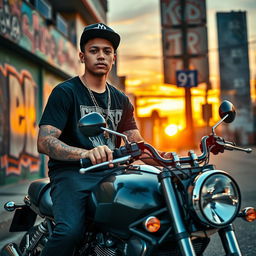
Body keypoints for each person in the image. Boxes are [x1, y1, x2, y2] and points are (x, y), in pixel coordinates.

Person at [37, 23, 168, 256]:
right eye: (93, 50)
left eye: (107, 51)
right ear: (82, 56)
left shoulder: (121, 100)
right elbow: (45, 141)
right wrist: (85, 153)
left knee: (144, 217)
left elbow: (137, 144)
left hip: (111, 173)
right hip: (73, 174)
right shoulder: (66, 92)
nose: (101, 56)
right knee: (69, 232)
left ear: (114, 58)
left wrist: (171, 161)